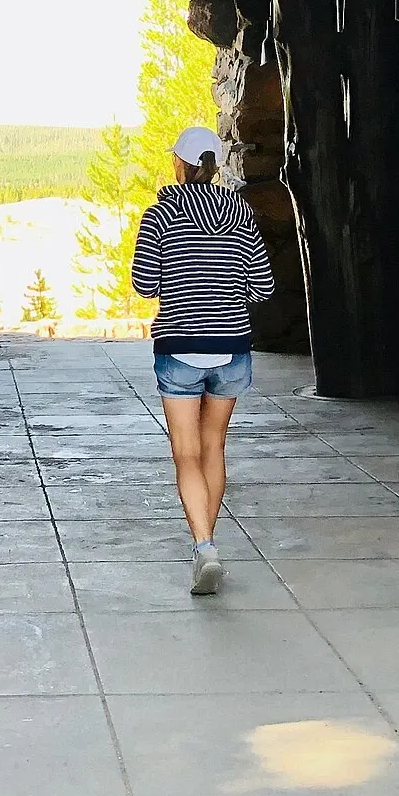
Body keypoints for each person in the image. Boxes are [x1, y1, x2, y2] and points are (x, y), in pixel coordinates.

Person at [131, 126, 273, 595]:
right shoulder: (242, 214)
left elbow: (144, 284)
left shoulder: (160, 215)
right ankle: (206, 548)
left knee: (186, 454)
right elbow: (264, 287)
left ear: (180, 164)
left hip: (179, 348)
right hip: (231, 348)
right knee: (214, 448)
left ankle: (205, 547)